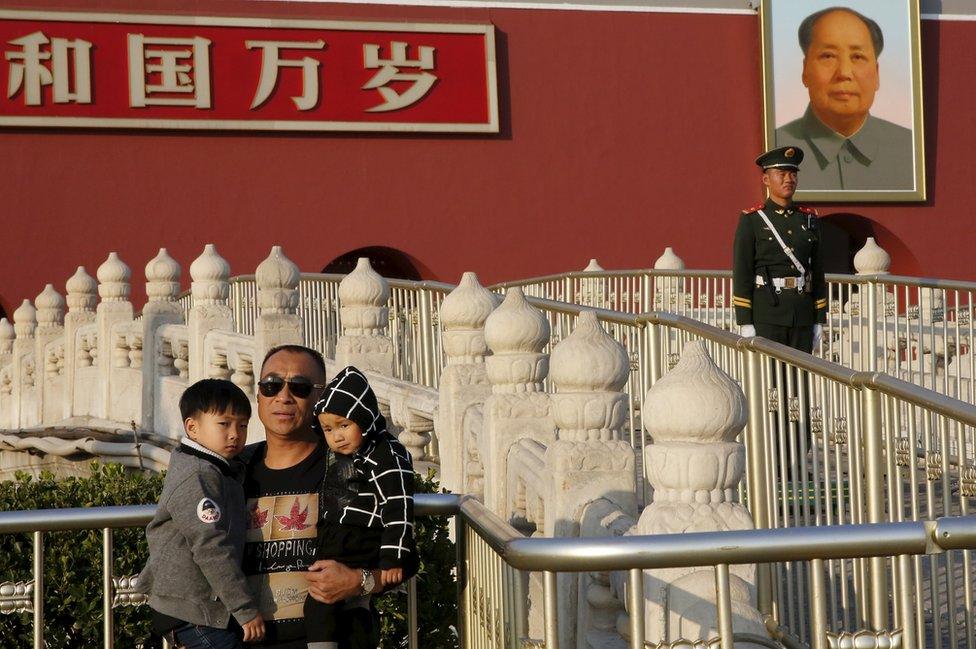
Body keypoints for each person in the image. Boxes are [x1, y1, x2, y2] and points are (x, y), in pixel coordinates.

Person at [241, 344, 417, 648]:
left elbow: (404, 557)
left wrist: (358, 582)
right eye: (271, 385)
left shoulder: (349, 466)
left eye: (300, 387)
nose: (283, 396)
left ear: (322, 400)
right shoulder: (235, 469)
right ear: (258, 395)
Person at [138, 378, 265, 649]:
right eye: (224, 424)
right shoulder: (198, 475)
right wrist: (244, 609)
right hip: (193, 611)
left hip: (199, 606)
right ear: (192, 428)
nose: (235, 434)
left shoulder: (216, 466)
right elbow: (210, 547)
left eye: (242, 425)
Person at [304, 366, 415, 649]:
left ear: (364, 419)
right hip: (339, 537)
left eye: (344, 425)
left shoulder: (384, 453)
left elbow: (398, 505)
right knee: (333, 606)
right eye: (328, 429)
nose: (337, 436)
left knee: (322, 603)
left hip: (360, 537)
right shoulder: (334, 456)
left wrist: (393, 556)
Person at [775, 7, 914, 191]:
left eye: (858, 57)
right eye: (828, 56)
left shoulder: (910, 151)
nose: (844, 73)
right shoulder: (776, 146)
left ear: (877, 74)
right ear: (805, 70)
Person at [733, 145, 827, 353]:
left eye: (793, 174)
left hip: (802, 314)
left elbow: (817, 271)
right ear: (766, 179)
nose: (788, 180)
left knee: (799, 381)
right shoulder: (753, 219)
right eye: (781, 174)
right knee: (769, 380)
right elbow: (742, 272)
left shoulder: (808, 218)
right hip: (767, 314)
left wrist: (819, 318)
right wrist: (745, 321)